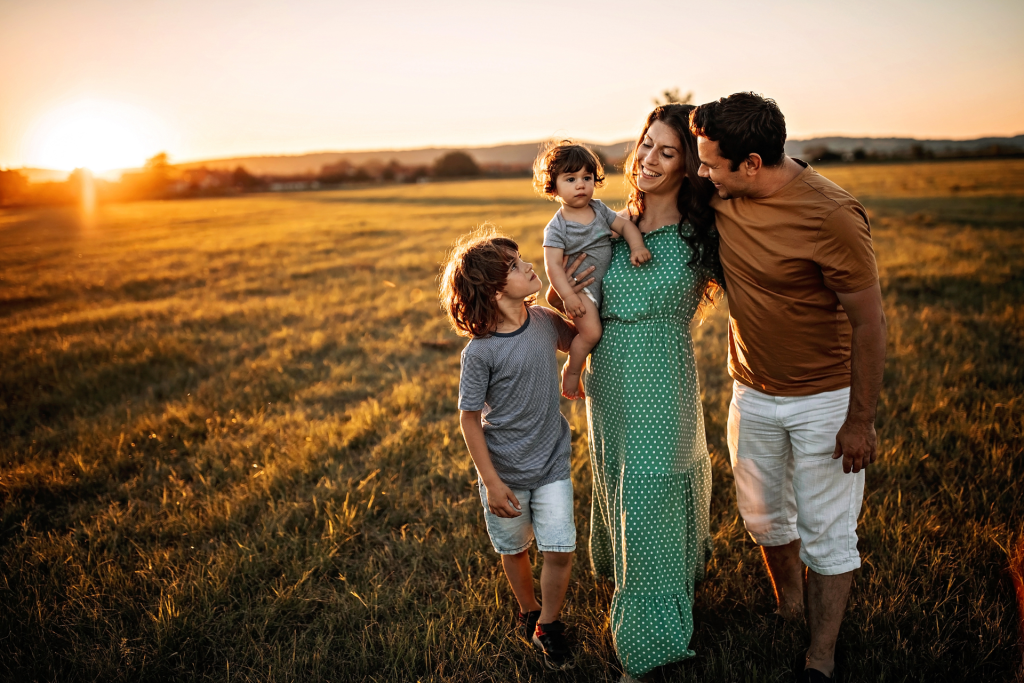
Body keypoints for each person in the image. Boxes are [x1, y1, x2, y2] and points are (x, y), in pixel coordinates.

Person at [691, 92, 886, 683]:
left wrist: (859, 420)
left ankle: (820, 658)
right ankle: (790, 607)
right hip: (751, 392)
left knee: (828, 534)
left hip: (824, 400)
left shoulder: (831, 215)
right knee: (763, 518)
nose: (702, 174)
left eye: (711, 164)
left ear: (752, 163)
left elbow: (869, 322)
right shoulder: (721, 194)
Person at [554, 104, 724, 681]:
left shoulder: (706, 233)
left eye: (667, 151)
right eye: (646, 145)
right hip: (609, 385)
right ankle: (653, 592)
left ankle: (646, 646)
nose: (649, 159)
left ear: (689, 165)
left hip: (664, 380)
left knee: (651, 494)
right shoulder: (603, 221)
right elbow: (578, 307)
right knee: (627, 490)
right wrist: (561, 302)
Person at [439, 227, 581, 671]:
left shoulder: (542, 321)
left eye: (523, 261)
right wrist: (492, 482)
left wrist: (569, 294)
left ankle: (549, 625)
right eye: (517, 267)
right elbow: (469, 418)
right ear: (495, 289)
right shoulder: (480, 353)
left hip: (552, 460)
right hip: (505, 471)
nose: (529, 267)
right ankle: (529, 610)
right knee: (514, 548)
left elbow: (579, 336)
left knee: (559, 549)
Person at [533, 140, 651, 399]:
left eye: (586, 177)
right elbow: (553, 267)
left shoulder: (599, 209)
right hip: (582, 290)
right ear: (553, 187)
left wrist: (637, 246)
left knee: (593, 332)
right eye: (571, 179)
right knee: (591, 333)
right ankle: (573, 372)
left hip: (600, 286)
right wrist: (569, 297)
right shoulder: (557, 227)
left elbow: (625, 227)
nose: (581, 184)